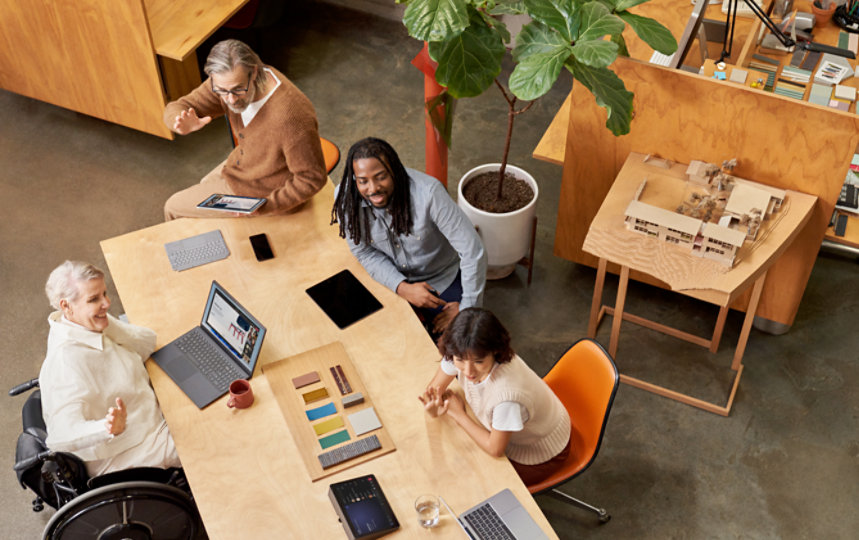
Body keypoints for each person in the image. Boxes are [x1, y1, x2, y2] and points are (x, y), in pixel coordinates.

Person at [39, 261, 181, 478]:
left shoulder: (83, 322)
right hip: (131, 447)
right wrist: (106, 428)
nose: (106, 302)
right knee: (211, 438)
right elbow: (59, 436)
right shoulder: (66, 362)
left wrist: (108, 324)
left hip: (148, 410)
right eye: (94, 299)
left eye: (104, 293)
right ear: (66, 306)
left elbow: (147, 343)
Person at [332, 137, 486, 336]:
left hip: (441, 279)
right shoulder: (346, 198)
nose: (373, 188)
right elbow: (364, 252)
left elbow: (472, 252)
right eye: (363, 181)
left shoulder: (429, 194)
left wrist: (467, 310)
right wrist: (402, 288)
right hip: (391, 281)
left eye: (380, 177)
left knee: (462, 342)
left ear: (394, 170)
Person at [162, 39, 326, 220]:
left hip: (261, 193)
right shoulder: (226, 81)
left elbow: (312, 178)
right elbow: (179, 105)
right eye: (222, 90)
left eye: (238, 89)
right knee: (204, 185)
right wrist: (179, 122)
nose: (230, 99)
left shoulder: (291, 117)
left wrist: (266, 205)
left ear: (254, 72)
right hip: (242, 167)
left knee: (173, 207)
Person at [418, 308, 571, 485]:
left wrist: (458, 414)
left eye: (479, 362)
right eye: (459, 360)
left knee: (471, 481)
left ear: (495, 352)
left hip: (540, 453)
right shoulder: (463, 350)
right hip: (513, 430)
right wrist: (434, 405)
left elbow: (494, 448)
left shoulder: (507, 398)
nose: (468, 371)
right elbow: (434, 389)